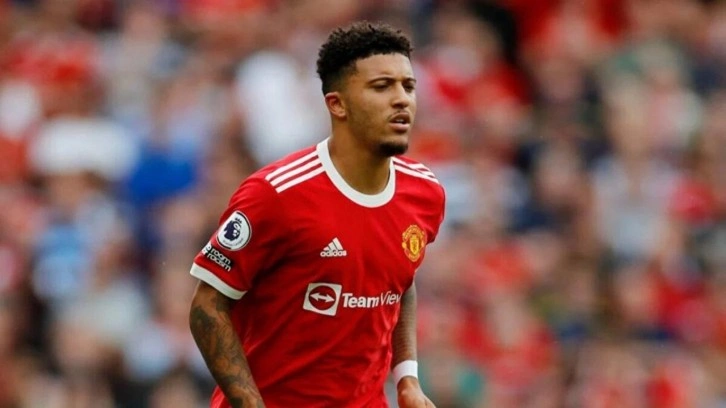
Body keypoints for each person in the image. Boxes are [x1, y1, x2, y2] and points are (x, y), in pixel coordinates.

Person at [188, 21, 445, 408]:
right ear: (337, 104)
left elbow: (399, 281)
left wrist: (407, 376)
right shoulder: (276, 194)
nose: (401, 100)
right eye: (381, 87)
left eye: (408, 86)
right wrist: (250, 403)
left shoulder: (425, 192)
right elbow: (207, 305)